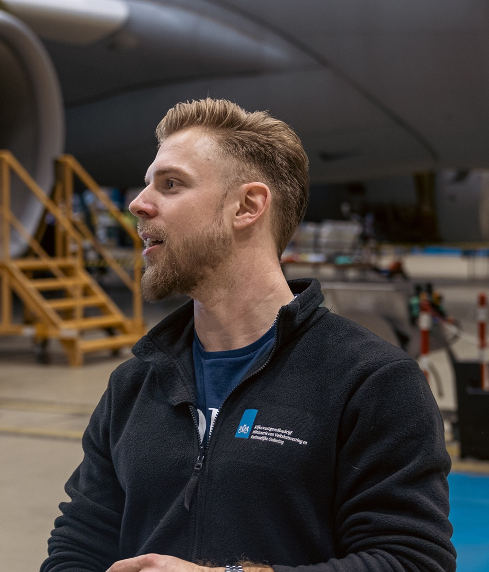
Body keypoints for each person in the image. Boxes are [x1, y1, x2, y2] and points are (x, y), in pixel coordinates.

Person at [41, 99, 454, 572]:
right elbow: (79, 542)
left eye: (170, 184)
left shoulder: (371, 381)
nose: (138, 203)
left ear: (248, 206)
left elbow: (411, 561)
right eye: (147, 183)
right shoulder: (133, 384)